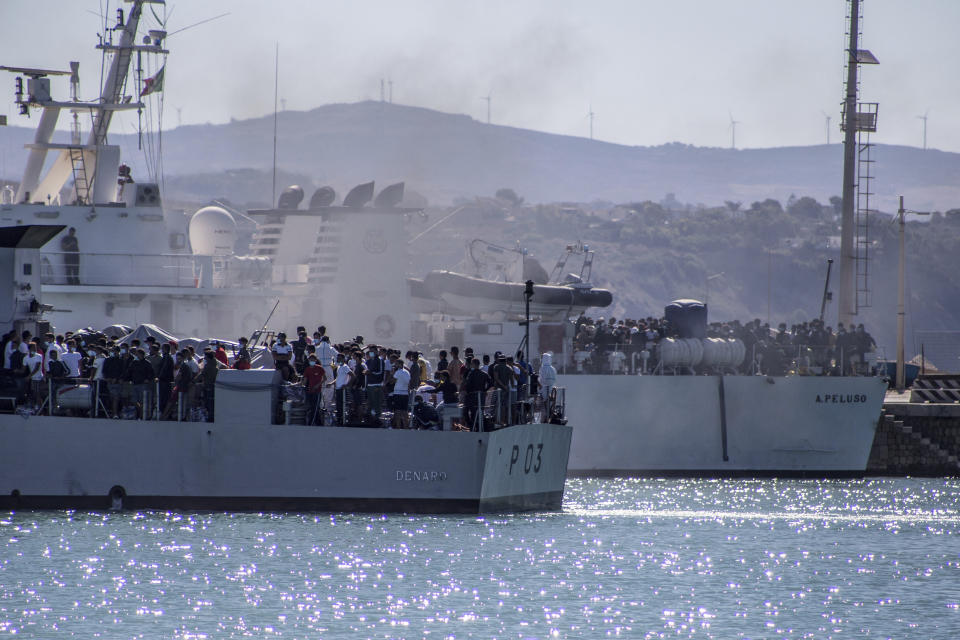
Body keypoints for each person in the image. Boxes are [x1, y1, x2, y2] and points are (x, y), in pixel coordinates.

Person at [461, 358, 491, 431]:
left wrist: (465, 392)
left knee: (466, 412)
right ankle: (477, 427)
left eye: (471, 363)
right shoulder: (484, 374)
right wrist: (485, 390)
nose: (471, 365)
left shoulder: (471, 373)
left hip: (471, 397)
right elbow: (491, 382)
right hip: (481, 396)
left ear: (474, 364)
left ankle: (472, 427)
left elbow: (468, 385)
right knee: (478, 412)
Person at [302, 355, 326, 425]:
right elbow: (305, 380)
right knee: (311, 407)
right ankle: (318, 423)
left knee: (315, 407)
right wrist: (302, 385)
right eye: (310, 360)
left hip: (317, 391)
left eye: (313, 360)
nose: (311, 361)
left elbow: (324, 378)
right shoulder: (307, 369)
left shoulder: (320, 368)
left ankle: (311, 422)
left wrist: (318, 385)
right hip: (310, 391)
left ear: (315, 360)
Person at [364, 346, 385, 423]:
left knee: (377, 403)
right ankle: (369, 419)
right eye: (370, 351)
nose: (371, 353)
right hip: (369, 385)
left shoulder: (380, 360)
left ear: (376, 351)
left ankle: (377, 419)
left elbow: (380, 372)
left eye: (373, 351)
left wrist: (371, 373)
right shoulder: (368, 361)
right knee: (369, 402)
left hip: (376, 385)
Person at [333, 353, 354, 425]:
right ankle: (339, 419)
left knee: (341, 405)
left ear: (343, 359)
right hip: (338, 388)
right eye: (337, 358)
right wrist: (332, 383)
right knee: (338, 405)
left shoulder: (345, 367)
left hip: (342, 389)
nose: (337, 359)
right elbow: (338, 378)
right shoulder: (339, 367)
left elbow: (352, 375)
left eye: (339, 358)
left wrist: (347, 385)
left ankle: (342, 420)